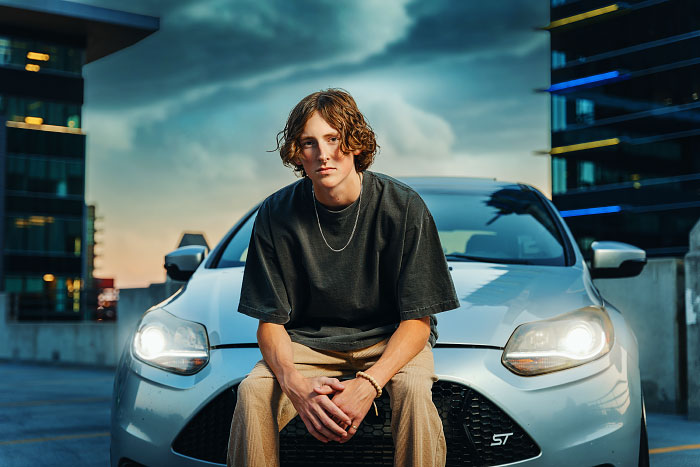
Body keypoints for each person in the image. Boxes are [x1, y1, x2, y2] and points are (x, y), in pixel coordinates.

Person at [227, 88, 460, 467]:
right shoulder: (275, 213)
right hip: (307, 345)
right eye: (309, 143)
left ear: (354, 141)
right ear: (297, 153)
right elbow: (269, 325)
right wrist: (297, 388)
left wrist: (369, 384)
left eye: (333, 138)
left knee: (415, 390)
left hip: (389, 340)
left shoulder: (404, 207)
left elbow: (417, 323)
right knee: (254, 391)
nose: (323, 154)